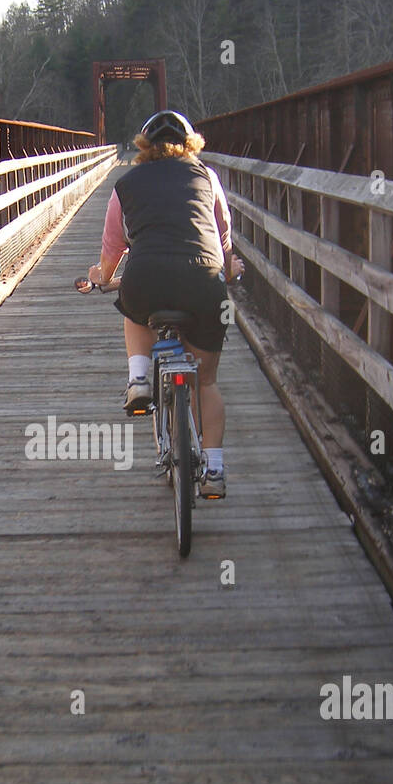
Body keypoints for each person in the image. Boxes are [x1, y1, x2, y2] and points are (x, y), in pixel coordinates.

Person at [88, 110, 242, 499]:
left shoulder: (126, 184)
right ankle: (215, 472)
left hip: (146, 279)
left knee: (133, 307)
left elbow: (112, 250)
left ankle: (139, 379)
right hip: (204, 283)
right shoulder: (207, 177)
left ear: (143, 148)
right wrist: (227, 269)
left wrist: (101, 277)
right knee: (205, 381)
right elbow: (221, 235)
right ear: (192, 146)